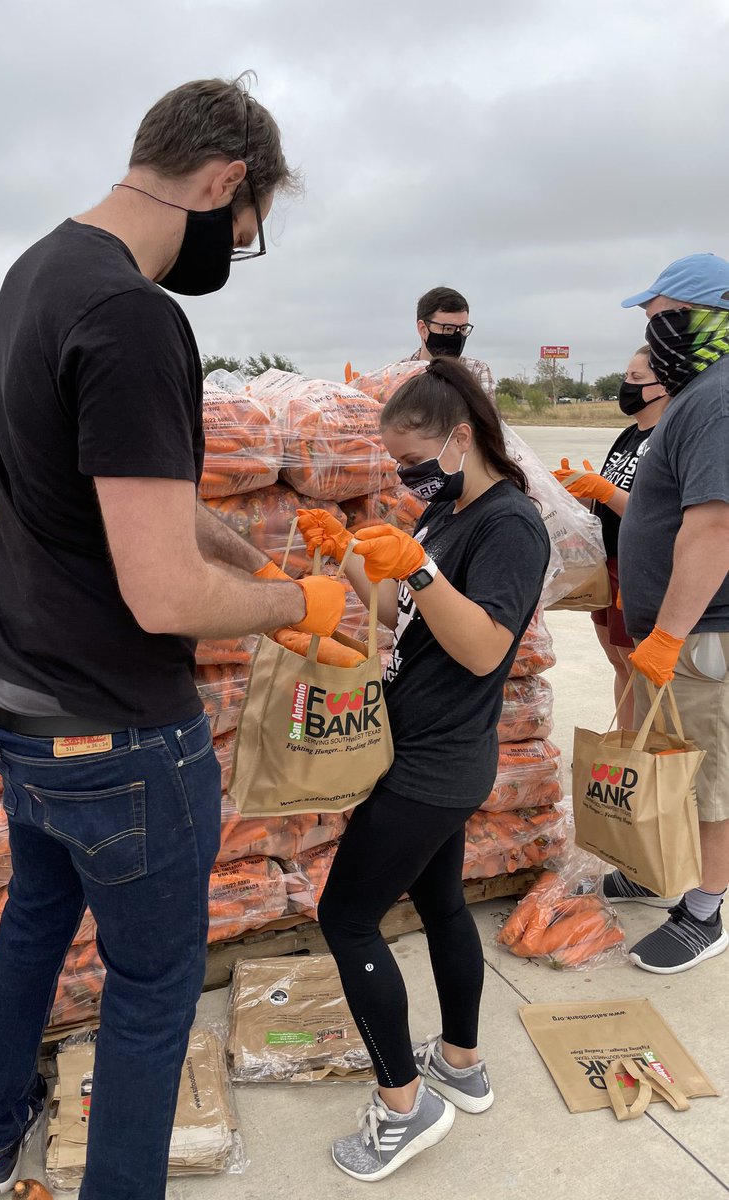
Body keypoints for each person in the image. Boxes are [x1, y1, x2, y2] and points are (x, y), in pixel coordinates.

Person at [0, 77, 346, 1200]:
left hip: (22, 709)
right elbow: (163, 598)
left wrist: (250, 559)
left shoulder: (37, 273)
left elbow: (130, 498)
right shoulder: (134, 315)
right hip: (122, 737)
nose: (233, 247)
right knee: (149, 990)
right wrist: (298, 609)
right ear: (226, 181)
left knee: (34, 921)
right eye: (244, 229)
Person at [297, 357, 549, 1182]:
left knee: (347, 918)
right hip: (420, 752)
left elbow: (482, 649)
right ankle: (462, 1065)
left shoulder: (508, 524)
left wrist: (422, 567)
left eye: (415, 460)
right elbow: (410, 619)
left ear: (462, 438)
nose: (409, 478)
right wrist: (351, 561)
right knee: (442, 904)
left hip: (435, 765)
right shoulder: (447, 514)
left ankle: (403, 1105)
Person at [613, 252, 729, 973]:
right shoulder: (698, 396)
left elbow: (714, 528)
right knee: (669, 763)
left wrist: (670, 633)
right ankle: (661, 870)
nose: (651, 338)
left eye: (661, 321)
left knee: (709, 774)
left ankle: (707, 907)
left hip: (702, 631)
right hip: (672, 630)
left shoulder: (718, 401)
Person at [552, 347, 670, 730]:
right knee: (617, 660)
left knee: (634, 663)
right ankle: (622, 740)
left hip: (638, 564)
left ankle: (633, 750)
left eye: (636, 379)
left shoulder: (664, 437)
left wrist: (603, 490)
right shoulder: (628, 435)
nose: (626, 386)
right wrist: (578, 491)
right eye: (627, 377)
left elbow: (652, 513)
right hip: (610, 560)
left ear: (663, 385)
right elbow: (607, 496)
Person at [409, 286, 497, 405]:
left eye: (463, 329)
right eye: (448, 329)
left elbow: (487, 419)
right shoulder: (398, 376)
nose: (457, 336)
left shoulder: (476, 371)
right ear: (423, 329)